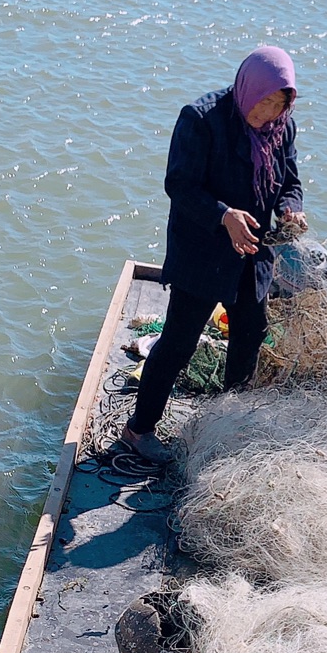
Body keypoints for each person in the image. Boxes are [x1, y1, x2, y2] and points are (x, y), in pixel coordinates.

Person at [121, 45, 305, 461]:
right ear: (247, 89)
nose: (268, 114)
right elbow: (180, 186)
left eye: (278, 105)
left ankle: (229, 420)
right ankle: (139, 429)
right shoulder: (201, 119)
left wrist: (291, 207)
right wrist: (224, 216)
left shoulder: (281, 129)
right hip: (202, 250)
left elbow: (290, 179)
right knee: (179, 342)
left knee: (250, 333)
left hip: (252, 252)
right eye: (263, 103)